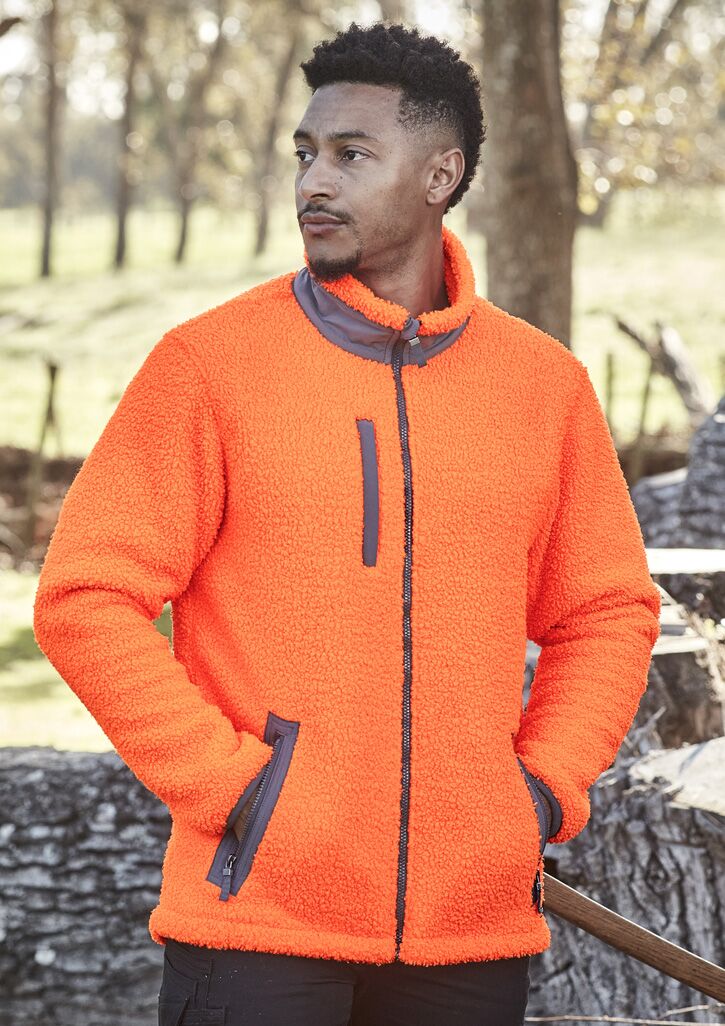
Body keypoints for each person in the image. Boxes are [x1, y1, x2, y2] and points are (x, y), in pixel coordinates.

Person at [32, 20, 661, 1026]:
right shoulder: (209, 367)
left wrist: (538, 791)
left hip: (467, 934)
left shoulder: (542, 388)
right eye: (305, 154)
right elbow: (84, 598)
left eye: (350, 155)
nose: (312, 183)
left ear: (440, 174)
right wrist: (234, 789)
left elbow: (605, 612)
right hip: (256, 929)